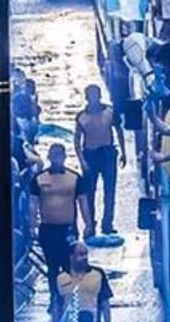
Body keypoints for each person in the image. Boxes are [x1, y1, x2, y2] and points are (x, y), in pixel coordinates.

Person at [28, 143, 90, 286]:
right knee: (52, 265)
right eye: (54, 156)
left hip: (68, 228)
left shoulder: (74, 178)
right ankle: (55, 296)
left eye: (59, 156)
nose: (56, 160)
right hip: (48, 228)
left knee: (69, 263)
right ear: (49, 157)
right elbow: (33, 203)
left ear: (64, 158)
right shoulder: (39, 179)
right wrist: (32, 225)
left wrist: (88, 224)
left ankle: (70, 295)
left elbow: (83, 202)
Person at [74, 84, 127, 236]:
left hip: (108, 153)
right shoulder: (81, 117)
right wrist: (82, 161)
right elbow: (77, 141)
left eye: (96, 95)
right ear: (87, 98)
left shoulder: (110, 111)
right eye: (91, 96)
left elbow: (119, 131)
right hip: (90, 155)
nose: (94, 99)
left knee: (110, 191)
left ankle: (107, 223)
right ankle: (90, 224)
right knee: (89, 191)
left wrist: (123, 152)